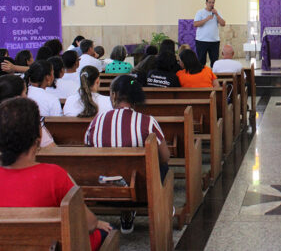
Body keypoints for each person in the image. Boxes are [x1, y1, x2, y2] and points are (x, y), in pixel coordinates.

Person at [0, 97, 112, 250]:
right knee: (108, 231)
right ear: (38, 136)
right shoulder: (53, 175)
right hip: (52, 245)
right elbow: (90, 224)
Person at [84, 75, 170, 234]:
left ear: (114, 95)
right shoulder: (147, 121)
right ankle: (162, 206)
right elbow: (165, 157)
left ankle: (126, 213)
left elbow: (89, 152)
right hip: (142, 193)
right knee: (162, 168)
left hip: (104, 193)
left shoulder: (97, 121)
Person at [0, 75, 56, 148]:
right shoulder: (29, 121)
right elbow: (51, 149)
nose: (27, 97)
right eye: (25, 93)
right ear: (18, 98)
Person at [193, 0, 226, 67]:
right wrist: (206, 19)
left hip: (214, 41)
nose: (211, 4)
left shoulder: (217, 13)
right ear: (206, 3)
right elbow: (195, 24)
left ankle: (213, 76)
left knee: (215, 62)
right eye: (209, 2)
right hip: (201, 41)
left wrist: (217, 14)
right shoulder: (200, 12)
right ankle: (202, 77)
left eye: (213, 3)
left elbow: (223, 24)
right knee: (201, 61)